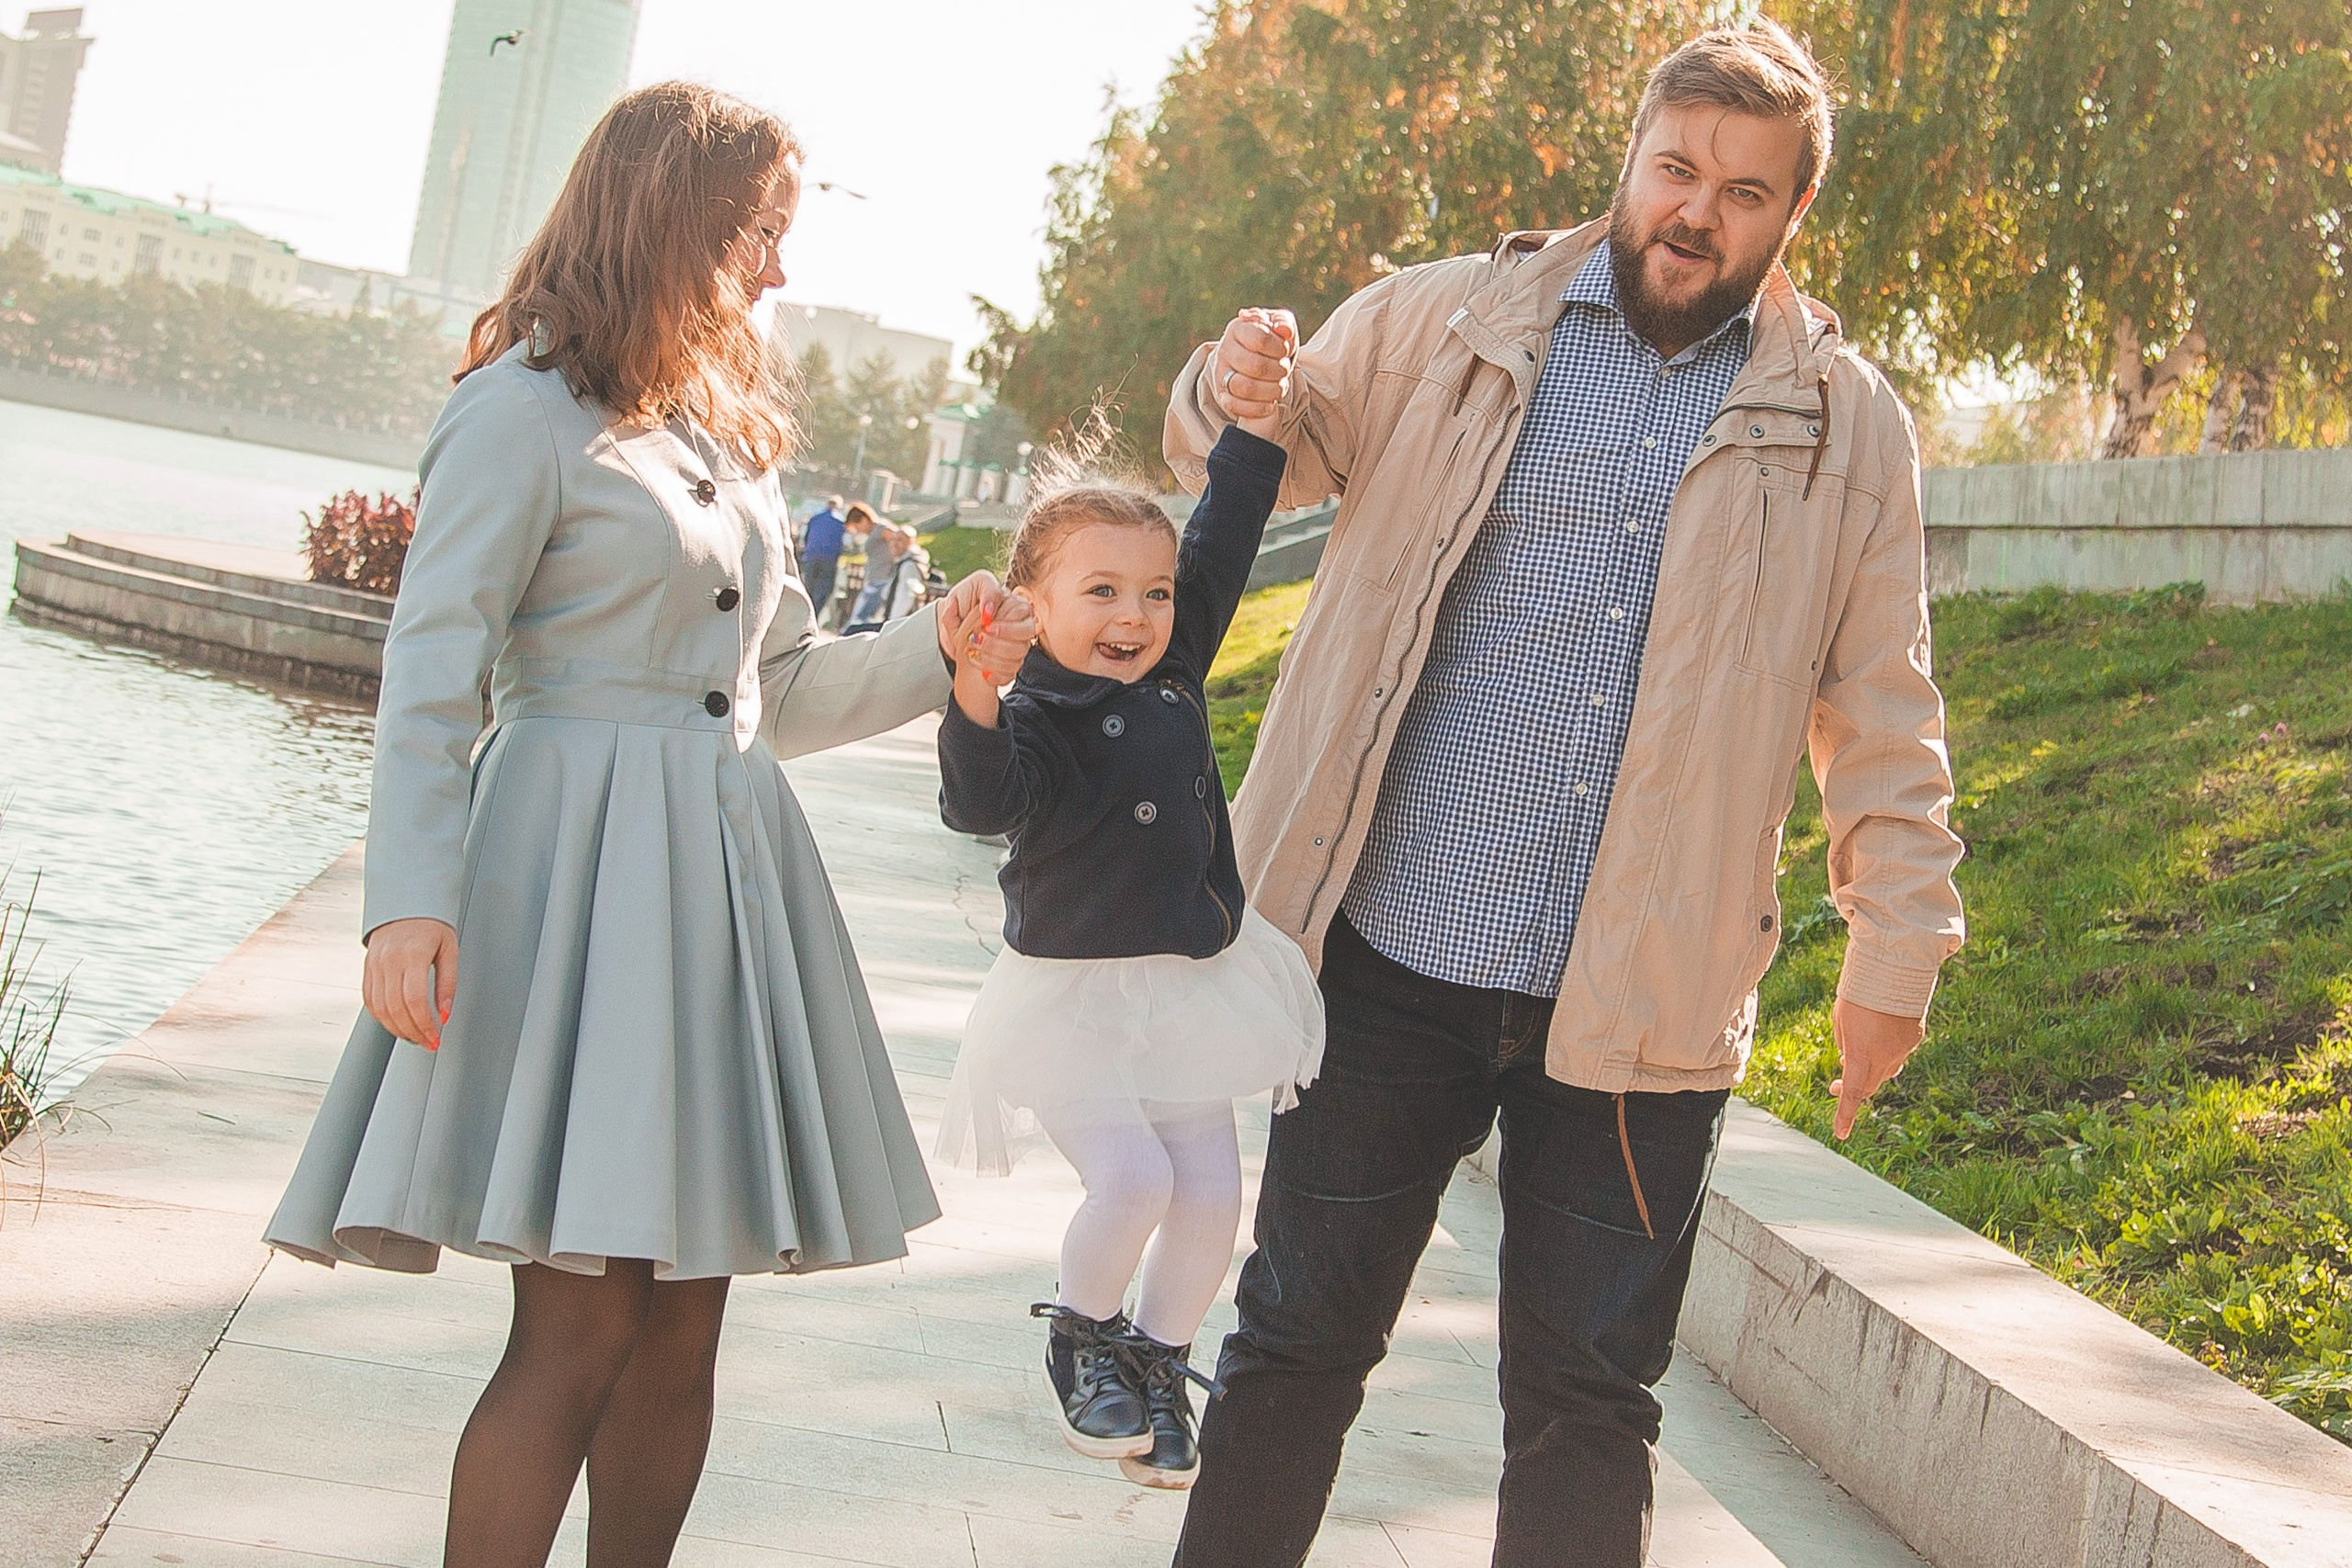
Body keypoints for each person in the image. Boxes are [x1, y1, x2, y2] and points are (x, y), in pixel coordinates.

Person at [1160, 22, 1965, 1566]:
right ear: (1631, 159)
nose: (1696, 209)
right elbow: (1267, 440)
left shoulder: (1847, 423)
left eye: (1743, 190)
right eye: (1675, 168)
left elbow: (1883, 703)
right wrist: (1228, 377)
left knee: (1593, 1401)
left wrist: (1897, 946)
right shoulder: (1450, 319)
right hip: (1393, 956)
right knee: (1295, 1346)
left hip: (1642, 1008)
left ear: (1793, 213)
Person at [263, 82, 1028, 1568]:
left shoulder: (727, 433)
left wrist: (945, 642)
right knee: (584, 1315)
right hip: (572, 890)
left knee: (686, 1316)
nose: (782, 271)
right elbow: (429, 677)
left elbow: (780, 690)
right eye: (761, 234)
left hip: (723, 892)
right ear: (670, 220)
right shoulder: (516, 410)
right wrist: (405, 905)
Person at [932, 398, 1325, 1491]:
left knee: (1210, 1198)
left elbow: (1225, 530)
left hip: (1189, 993)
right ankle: (1084, 1341)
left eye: (1151, 594)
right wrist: (974, 684)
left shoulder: (1171, 670)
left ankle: (1156, 1360)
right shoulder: (1031, 712)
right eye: (1099, 592)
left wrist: (1254, 423)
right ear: (1032, 605)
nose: (1134, 614)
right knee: (1133, 1180)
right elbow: (978, 805)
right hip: (1067, 1006)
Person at [842, 518, 931, 633]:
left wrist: (891, 627)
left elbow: (906, 598)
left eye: (900, 540)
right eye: (893, 540)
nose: (894, 544)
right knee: (853, 627)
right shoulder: (902, 563)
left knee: (851, 630)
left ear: (910, 543)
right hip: (893, 623)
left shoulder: (908, 566)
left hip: (896, 625)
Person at [800, 492, 847, 623]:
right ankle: (813, 619)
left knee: (808, 588)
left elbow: (804, 538)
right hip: (829, 560)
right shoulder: (841, 522)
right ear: (839, 507)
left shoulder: (814, 518)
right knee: (823, 591)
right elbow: (846, 544)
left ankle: (802, 618)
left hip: (810, 556)